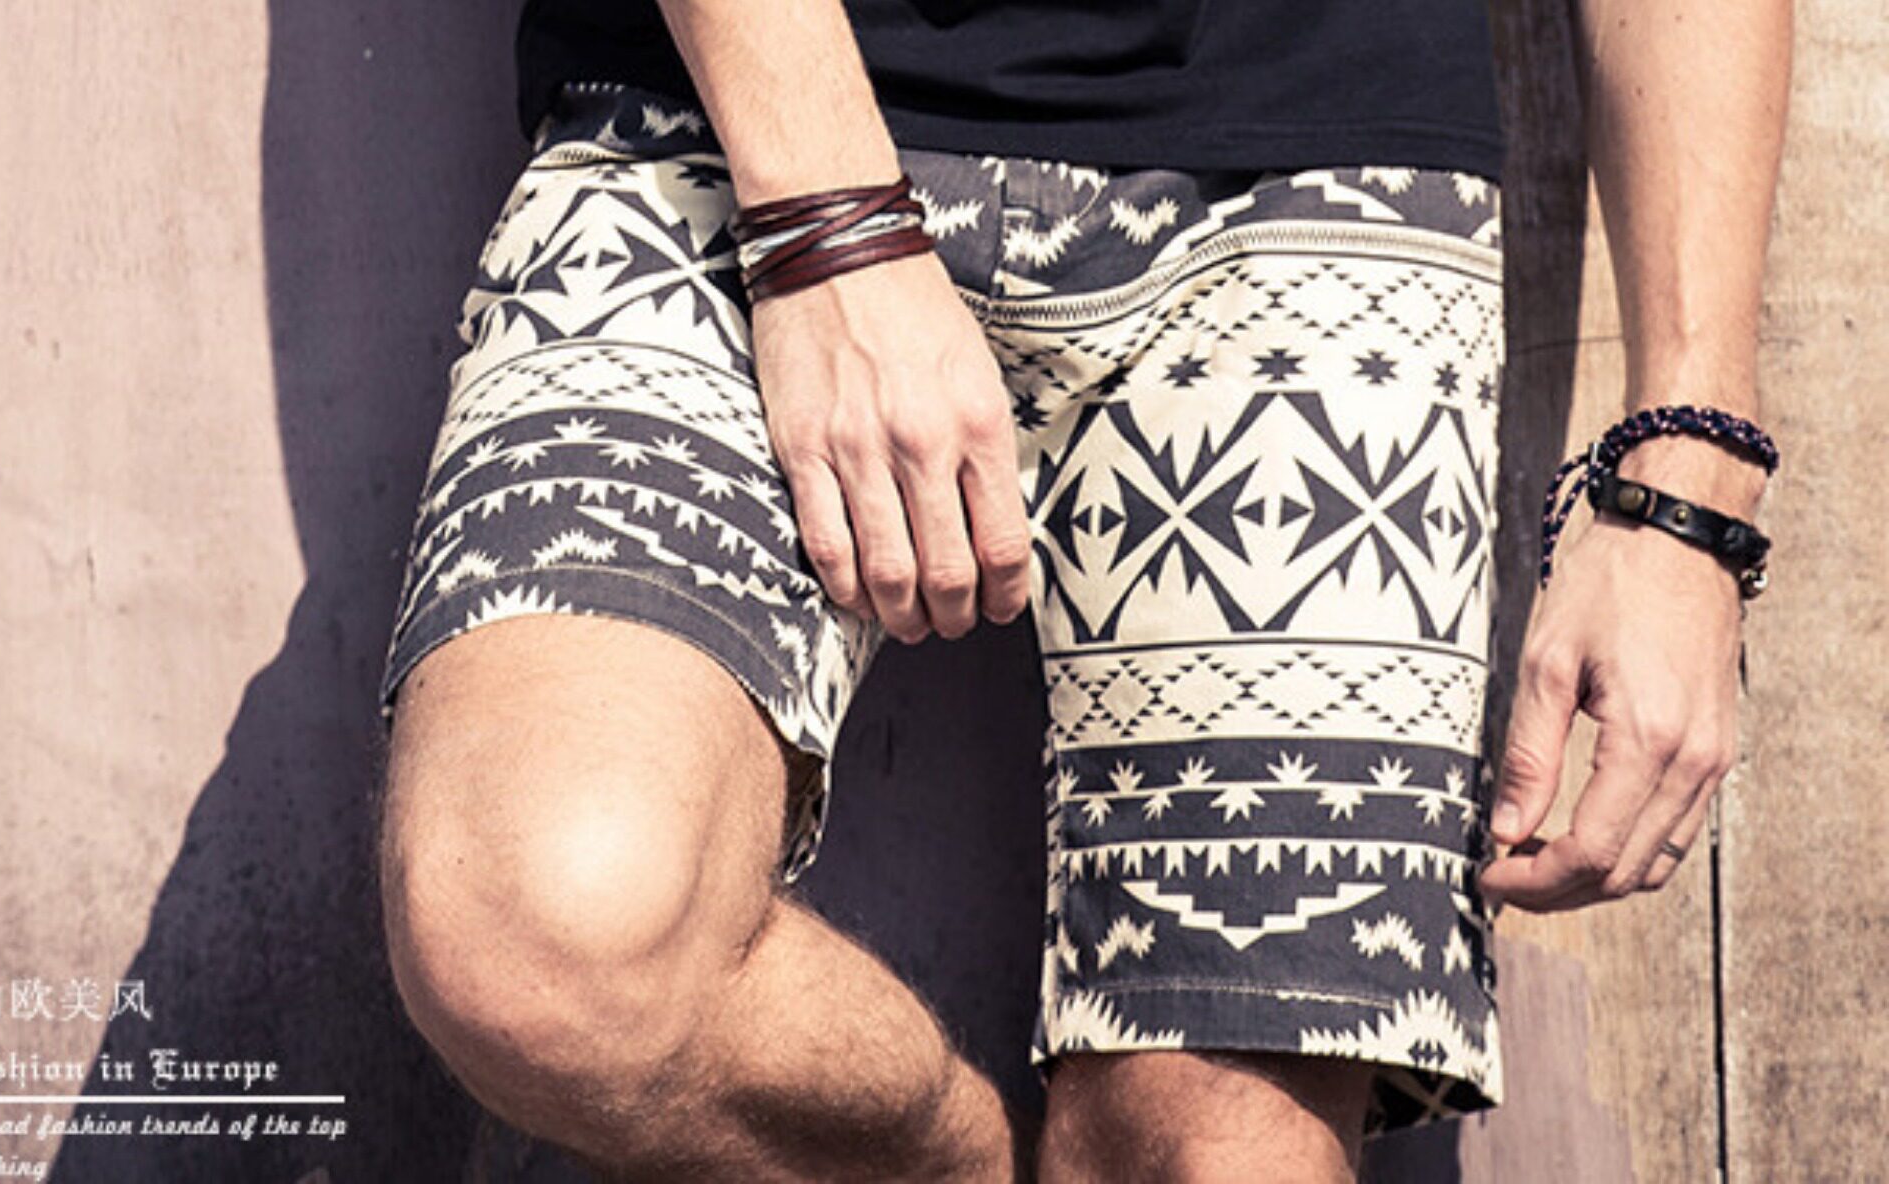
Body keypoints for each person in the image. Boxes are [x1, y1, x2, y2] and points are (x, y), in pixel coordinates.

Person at [372, 0, 1790, 1178]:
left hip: (1313, 155)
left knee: (1221, 1155)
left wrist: (1688, 487)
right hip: (712, 134)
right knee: (537, 939)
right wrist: (827, 223)